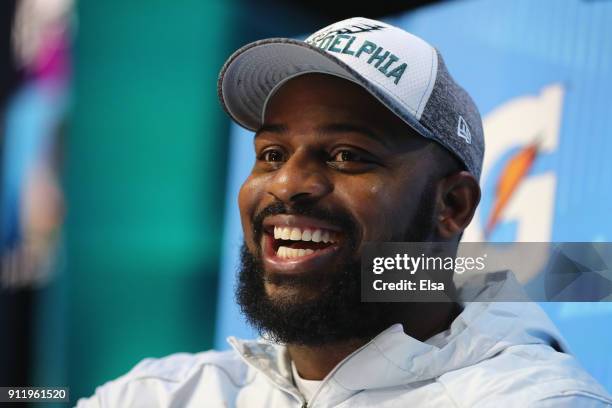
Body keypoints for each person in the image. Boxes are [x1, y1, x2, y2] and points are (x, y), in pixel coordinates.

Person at [76, 17, 612, 407]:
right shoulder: (158, 394)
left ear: (452, 205)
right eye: (271, 154)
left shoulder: (534, 400)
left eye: (347, 156)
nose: (288, 184)